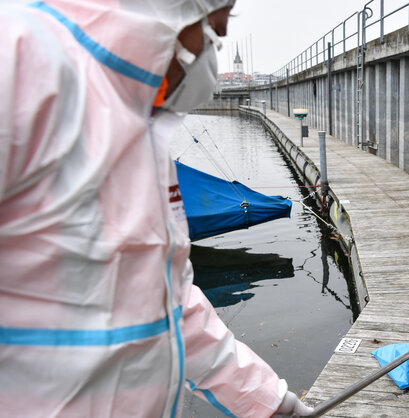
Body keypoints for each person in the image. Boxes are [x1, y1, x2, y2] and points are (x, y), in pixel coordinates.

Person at [0, 1, 312, 416]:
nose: (213, 55)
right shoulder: (20, 60)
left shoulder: (142, 128)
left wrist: (272, 403)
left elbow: (168, 302)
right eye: (214, 33)